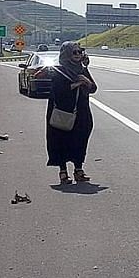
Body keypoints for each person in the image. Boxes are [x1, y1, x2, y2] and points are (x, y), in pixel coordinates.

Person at [46, 41, 98, 184]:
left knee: (81, 139)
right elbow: (58, 92)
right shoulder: (59, 71)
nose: (77, 55)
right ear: (66, 54)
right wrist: (78, 84)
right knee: (61, 140)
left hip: (81, 112)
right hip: (63, 112)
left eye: (79, 52)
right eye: (74, 52)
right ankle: (63, 171)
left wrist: (86, 81)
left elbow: (93, 88)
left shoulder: (82, 70)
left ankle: (78, 169)